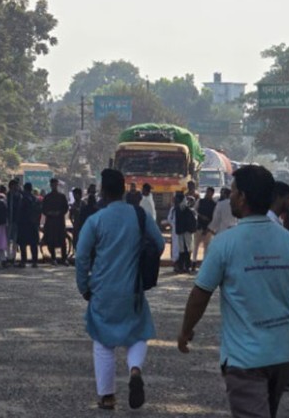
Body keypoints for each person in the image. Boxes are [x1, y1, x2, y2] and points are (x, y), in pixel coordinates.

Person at [177, 165, 289, 418]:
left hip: (245, 359)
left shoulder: (225, 243)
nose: (231, 196)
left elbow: (200, 295)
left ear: (243, 197)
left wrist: (185, 331)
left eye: (234, 191)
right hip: (283, 356)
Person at [75, 168, 165, 411]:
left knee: (103, 342)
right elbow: (159, 243)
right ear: (124, 190)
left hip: (102, 289)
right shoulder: (139, 216)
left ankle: (107, 396)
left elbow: (82, 257)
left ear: (103, 192)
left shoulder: (96, 220)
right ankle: (134, 369)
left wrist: (84, 287)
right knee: (137, 333)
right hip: (132, 289)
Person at [42, 178, 69, 265]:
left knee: (62, 240)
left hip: (59, 221)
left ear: (57, 185)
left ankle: (64, 258)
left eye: (55, 184)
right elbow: (43, 209)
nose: (54, 186)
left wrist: (59, 213)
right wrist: (49, 213)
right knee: (51, 240)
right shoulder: (47, 197)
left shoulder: (62, 196)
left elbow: (66, 208)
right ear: (50, 185)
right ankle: (53, 258)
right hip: (50, 221)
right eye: (52, 184)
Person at [17, 182, 41, 268]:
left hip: (24, 224)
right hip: (33, 224)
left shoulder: (23, 198)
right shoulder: (36, 199)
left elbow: (20, 211)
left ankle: (23, 261)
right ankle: (35, 261)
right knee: (33, 244)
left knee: (23, 243)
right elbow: (39, 212)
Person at [192, 187, 216, 270]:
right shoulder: (200, 201)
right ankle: (193, 263)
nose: (207, 194)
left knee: (206, 247)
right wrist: (200, 216)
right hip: (199, 226)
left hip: (208, 228)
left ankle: (204, 264)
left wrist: (210, 228)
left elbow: (215, 217)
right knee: (196, 246)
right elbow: (194, 210)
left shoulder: (214, 204)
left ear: (212, 193)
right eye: (207, 192)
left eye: (209, 192)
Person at [171, 192, 196, 273]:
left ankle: (186, 266)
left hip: (186, 232)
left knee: (186, 250)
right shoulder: (178, 209)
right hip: (182, 232)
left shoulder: (185, 209)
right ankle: (183, 266)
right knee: (183, 250)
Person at [7, 179, 22, 265]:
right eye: (15, 185)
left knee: (15, 241)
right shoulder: (7, 195)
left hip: (16, 221)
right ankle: (8, 257)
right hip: (9, 220)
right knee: (8, 240)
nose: (16, 187)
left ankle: (13, 257)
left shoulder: (19, 196)